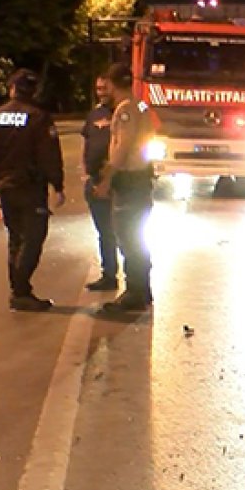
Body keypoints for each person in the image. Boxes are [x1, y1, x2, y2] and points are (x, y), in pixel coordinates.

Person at [0, 70, 66, 312]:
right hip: (30, 187)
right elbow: (49, 155)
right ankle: (20, 290)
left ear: (12, 89)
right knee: (33, 237)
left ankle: (18, 290)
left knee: (16, 237)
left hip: (6, 186)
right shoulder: (39, 118)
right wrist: (57, 185)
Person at [93, 63, 156, 313]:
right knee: (137, 236)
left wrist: (107, 178)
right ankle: (143, 289)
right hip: (140, 178)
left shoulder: (125, 110)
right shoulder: (140, 105)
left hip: (130, 180)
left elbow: (122, 147)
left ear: (112, 83)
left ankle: (134, 293)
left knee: (128, 237)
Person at [82, 75, 119, 291]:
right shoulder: (95, 113)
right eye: (98, 88)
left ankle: (137, 283)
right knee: (105, 231)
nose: (101, 92)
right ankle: (109, 274)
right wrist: (85, 174)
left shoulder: (125, 112)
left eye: (105, 88)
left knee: (125, 232)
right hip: (95, 181)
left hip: (118, 183)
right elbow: (86, 142)